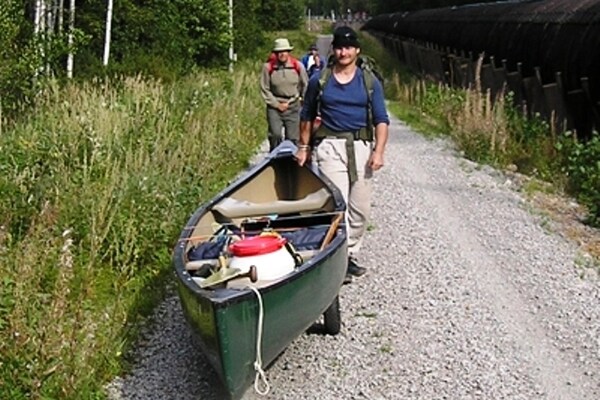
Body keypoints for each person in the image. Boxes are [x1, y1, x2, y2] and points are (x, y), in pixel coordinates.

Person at [295, 26, 389, 284]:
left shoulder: (369, 81)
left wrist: (378, 151)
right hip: (330, 147)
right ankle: (338, 261)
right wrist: (303, 147)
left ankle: (349, 253)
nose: (343, 52)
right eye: (339, 47)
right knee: (338, 206)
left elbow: (381, 119)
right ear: (333, 51)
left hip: (361, 147)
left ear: (357, 50)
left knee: (360, 209)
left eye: (348, 47)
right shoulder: (320, 80)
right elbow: (306, 115)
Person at [260, 38, 308, 151]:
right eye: (279, 52)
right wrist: (276, 104)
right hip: (274, 107)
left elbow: (305, 85)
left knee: (292, 138)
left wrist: (303, 101)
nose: (282, 54)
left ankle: (291, 163)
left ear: (288, 52)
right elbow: (264, 88)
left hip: (293, 105)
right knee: (275, 134)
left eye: (284, 51)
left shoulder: (298, 66)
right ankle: (274, 159)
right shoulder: (268, 68)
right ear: (275, 54)